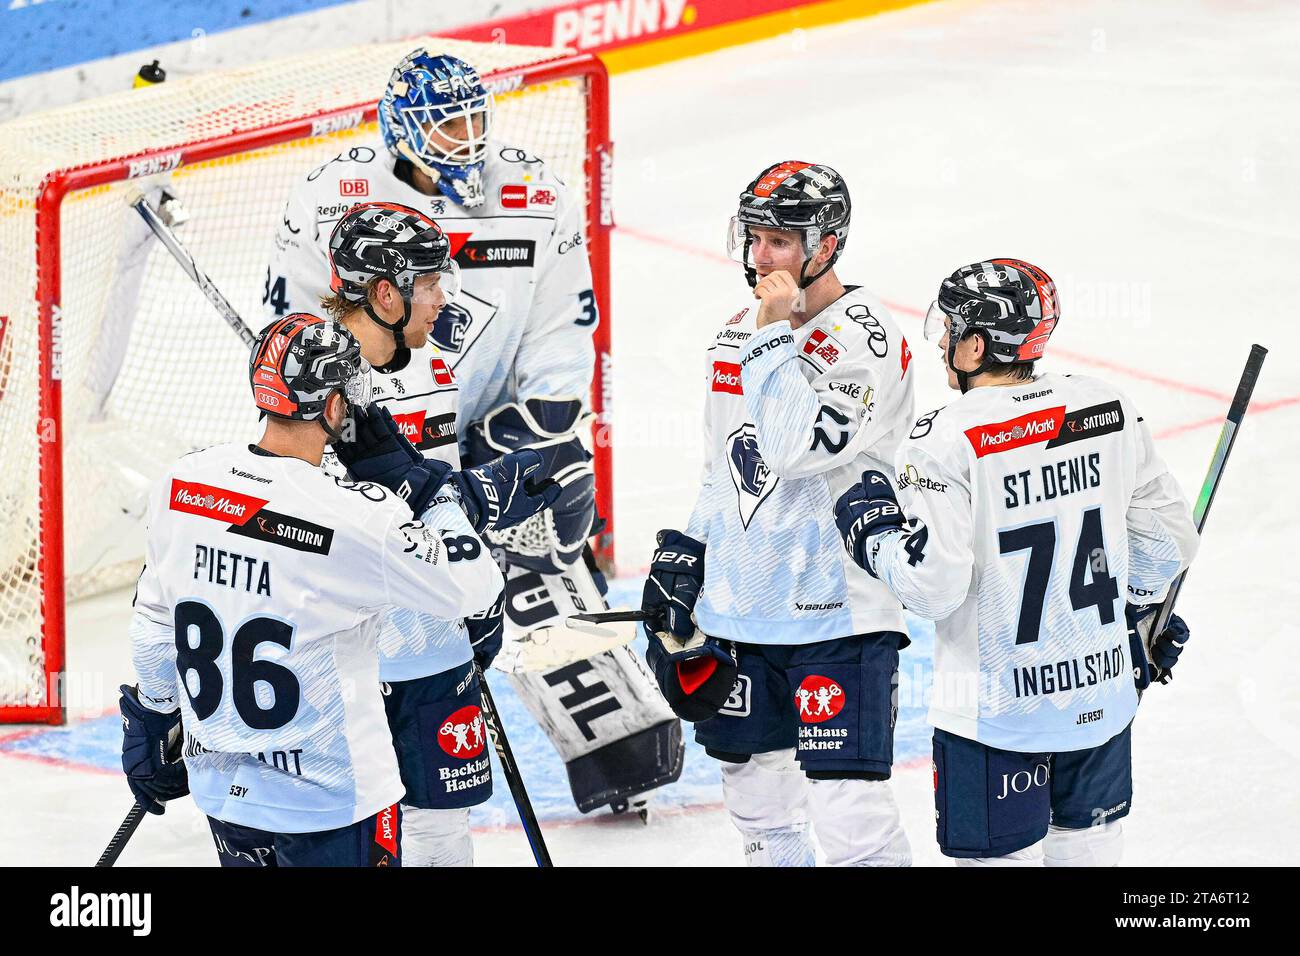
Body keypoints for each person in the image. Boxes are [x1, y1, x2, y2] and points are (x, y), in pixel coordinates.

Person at [265, 50, 680, 818]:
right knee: (378, 626)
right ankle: (330, 777)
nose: (466, 137)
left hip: (489, 435)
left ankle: (615, 750)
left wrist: (548, 428)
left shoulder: (532, 188)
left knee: (537, 575)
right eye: (446, 122)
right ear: (402, 128)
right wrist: (334, 432)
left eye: (474, 117)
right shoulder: (332, 195)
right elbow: (291, 330)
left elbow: (561, 322)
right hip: (372, 443)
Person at [834, 258, 1198, 866]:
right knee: (1090, 853)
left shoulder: (945, 435)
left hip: (994, 716)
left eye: (950, 330)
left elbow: (935, 587)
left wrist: (874, 539)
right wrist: (1135, 620)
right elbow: (1168, 543)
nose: (942, 342)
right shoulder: (1105, 406)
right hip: (1102, 700)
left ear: (975, 345)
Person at [120, 314, 504, 866]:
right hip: (333, 799)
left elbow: (155, 624)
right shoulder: (357, 518)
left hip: (224, 792)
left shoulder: (183, 484)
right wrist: (418, 484)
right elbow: (474, 589)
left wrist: (154, 717)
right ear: (331, 407)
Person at [641, 161, 916, 866]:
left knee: (850, 815)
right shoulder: (735, 332)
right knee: (761, 817)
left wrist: (771, 334)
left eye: (780, 242)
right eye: (755, 237)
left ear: (826, 245)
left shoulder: (867, 340)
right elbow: (723, 463)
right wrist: (691, 553)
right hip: (742, 612)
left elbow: (797, 449)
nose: (760, 257)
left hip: (836, 614)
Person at [318, 200, 558, 866]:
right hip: (351, 662)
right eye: (428, 284)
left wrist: (469, 544)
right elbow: (332, 532)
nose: (441, 299)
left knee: (441, 832)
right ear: (386, 292)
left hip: (429, 646)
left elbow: (425, 487)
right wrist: (468, 512)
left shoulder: (425, 360)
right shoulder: (314, 385)